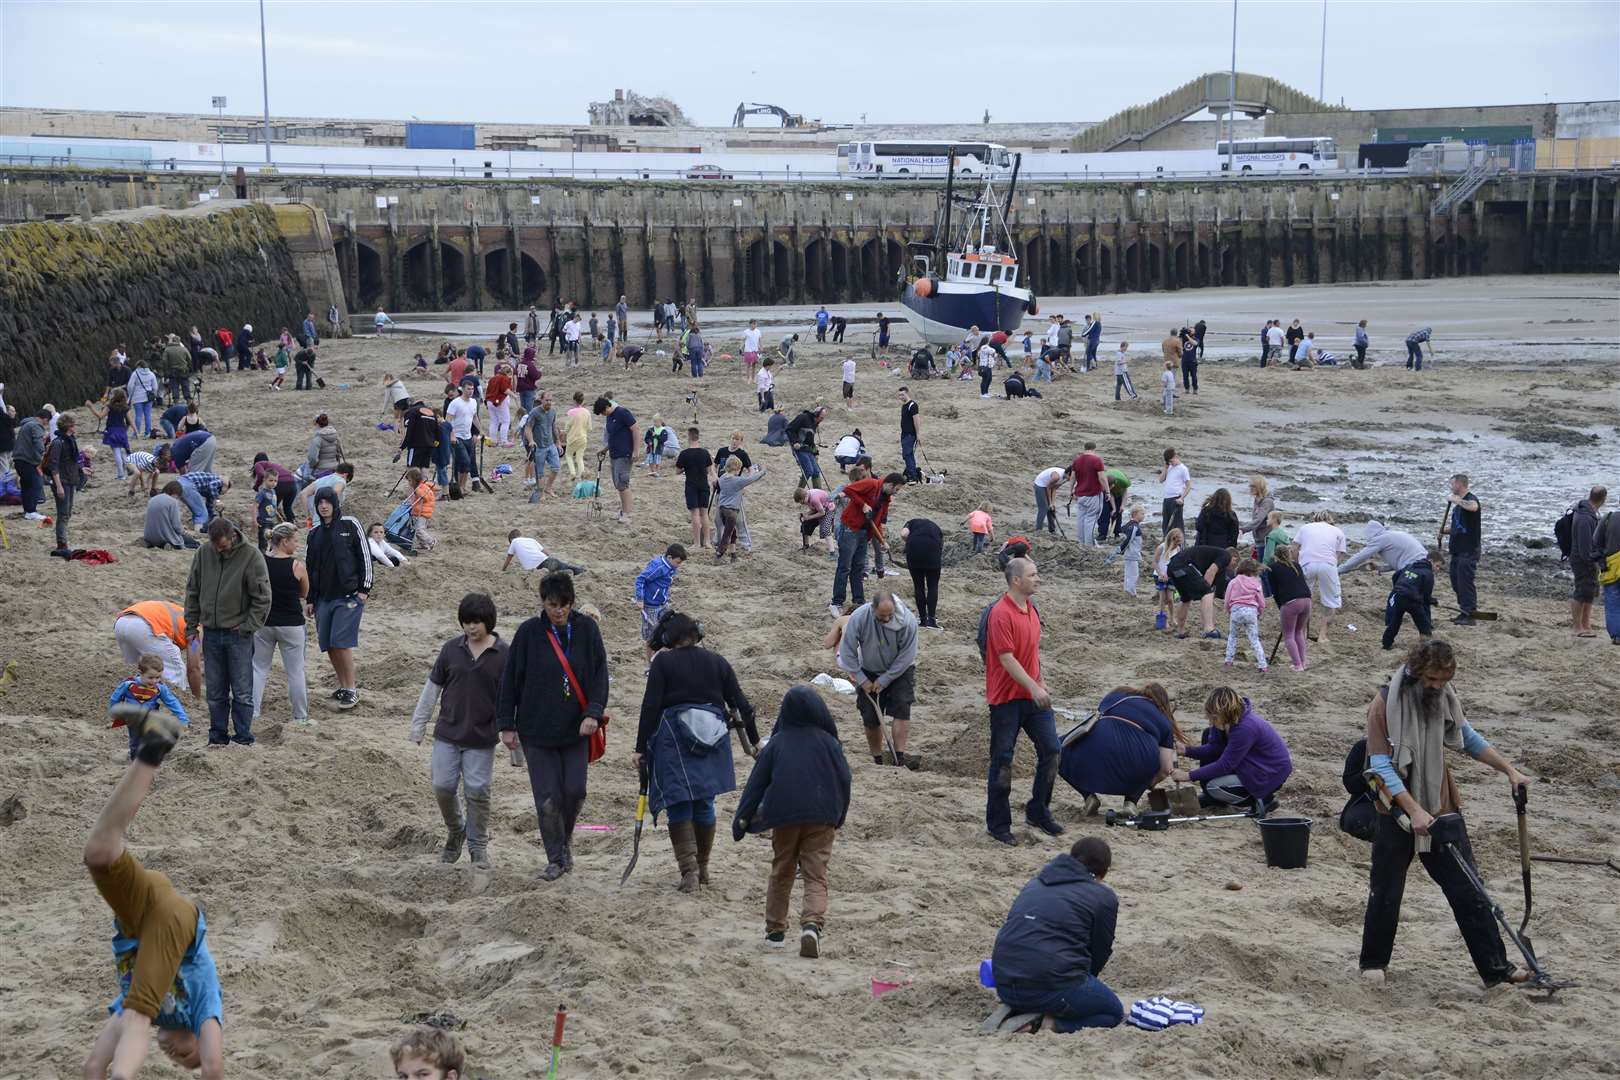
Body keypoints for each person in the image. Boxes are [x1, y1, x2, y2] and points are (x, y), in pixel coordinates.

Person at [1359, 640, 1533, 987]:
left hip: (1442, 806)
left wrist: (1509, 770)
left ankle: (1497, 970)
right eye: (1432, 680)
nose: (1438, 686)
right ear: (1416, 671)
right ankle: (1373, 963)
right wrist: (1414, 811)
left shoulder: (1444, 697)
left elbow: (1467, 738)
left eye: (1443, 680)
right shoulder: (1384, 704)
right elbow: (1379, 767)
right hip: (1396, 811)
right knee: (1386, 891)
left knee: (1469, 890)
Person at [80, 717, 226, 1080]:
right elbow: (214, 1066)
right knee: (138, 1016)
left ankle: (151, 750)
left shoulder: (130, 1003)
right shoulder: (203, 1006)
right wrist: (204, 1063)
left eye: (177, 1063)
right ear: (198, 1036)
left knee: (99, 853)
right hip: (177, 918)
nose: (176, 1055)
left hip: (140, 917)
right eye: (188, 1053)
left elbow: (94, 1063)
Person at [499, 571, 609, 881]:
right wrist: (507, 723)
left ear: (573, 603)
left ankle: (565, 842)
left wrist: (594, 712)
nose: (558, 611)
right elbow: (510, 680)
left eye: (564, 605)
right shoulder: (528, 633)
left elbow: (600, 675)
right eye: (552, 605)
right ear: (543, 603)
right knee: (547, 799)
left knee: (575, 792)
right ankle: (556, 859)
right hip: (536, 730)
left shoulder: (587, 629)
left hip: (576, 729)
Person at [636, 611, 756, 891]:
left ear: (668, 638)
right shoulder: (718, 662)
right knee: (704, 801)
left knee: (679, 802)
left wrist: (640, 748)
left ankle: (688, 871)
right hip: (713, 736)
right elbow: (742, 705)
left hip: (674, 737)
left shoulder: (662, 662)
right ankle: (703, 867)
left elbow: (650, 707)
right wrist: (755, 741)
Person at [731, 683, 853, 958]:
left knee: (782, 868)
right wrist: (840, 815)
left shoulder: (777, 744)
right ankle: (811, 925)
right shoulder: (831, 744)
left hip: (783, 814)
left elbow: (756, 785)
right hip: (822, 815)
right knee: (815, 873)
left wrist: (741, 821)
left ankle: (775, 930)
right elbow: (845, 780)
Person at [409, 592, 507, 869]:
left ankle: (478, 847)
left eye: (476, 622)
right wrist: (418, 726)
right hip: (448, 733)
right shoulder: (451, 649)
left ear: (488, 621)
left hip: (482, 737)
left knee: (478, 790)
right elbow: (432, 689)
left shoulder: (503, 654)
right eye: (466, 622)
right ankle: (456, 829)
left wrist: (515, 738)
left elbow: (511, 698)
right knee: (442, 786)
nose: (471, 628)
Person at [989, 836, 1121, 1034]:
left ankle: (1022, 1006)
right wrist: (1083, 983)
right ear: (1103, 872)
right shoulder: (1103, 896)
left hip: (1005, 984)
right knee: (1113, 1012)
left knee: (1050, 975)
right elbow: (1100, 950)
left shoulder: (1034, 883)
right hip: (1049, 985)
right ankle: (1048, 1023)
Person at [984, 557, 1063, 844]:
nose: (1038, 578)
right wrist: (1033, 687)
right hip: (1006, 699)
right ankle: (998, 824)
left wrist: (1039, 681)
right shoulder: (1000, 613)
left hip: (1033, 695)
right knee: (1003, 760)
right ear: (1016, 580)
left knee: (1052, 750)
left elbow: (1031, 653)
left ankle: (1038, 810)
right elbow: (1006, 659)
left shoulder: (1030, 608)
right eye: (1033, 574)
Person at [184, 516, 271, 747]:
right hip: (210, 633)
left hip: (238, 635)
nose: (218, 550)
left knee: (242, 691)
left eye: (222, 546)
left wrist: (247, 627)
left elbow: (262, 598)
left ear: (233, 536)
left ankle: (243, 738)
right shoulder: (204, 553)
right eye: (214, 546)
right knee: (215, 691)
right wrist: (191, 627)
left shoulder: (252, 556)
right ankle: (217, 737)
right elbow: (193, 590)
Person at [1061, 683, 1182, 817]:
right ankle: (1131, 802)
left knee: (1055, 749)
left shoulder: (1116, 696)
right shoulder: (1164, 720)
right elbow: (1165, 769)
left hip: (1094, 755)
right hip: (1137, 765)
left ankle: (1088, 797)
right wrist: (1148, 784)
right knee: (1151, 759)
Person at [305, 488, 371, 711]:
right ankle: (343, 686)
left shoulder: (350, 524)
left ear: (334, 503)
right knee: (329, 645)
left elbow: (364, 556)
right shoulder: (314, 533)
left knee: (341, 642)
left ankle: (352, 689)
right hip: (323, 598)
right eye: (320, 502)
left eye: (327, 502)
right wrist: (311, 598)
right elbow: (311, 568)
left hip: (349, 596)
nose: (324, 506)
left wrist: (364, 589)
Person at [1173, 687, 1291, 811]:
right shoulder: (1225, 720)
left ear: (1225, 713)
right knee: (1207, 734)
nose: (1211, 721)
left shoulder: (1246, 728)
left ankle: (1264, 799)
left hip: (1268, 771)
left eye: (1214, 718)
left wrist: (1188, 775)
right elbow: (1215, 748)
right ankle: (1213, 798)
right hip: (1250, 763)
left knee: (1213, 787)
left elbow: (1225, 765)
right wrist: (1186, 751)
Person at [838, 591, 920, 767]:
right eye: (882, 616)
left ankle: (899, 756)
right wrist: (862, 679)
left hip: (900, 669)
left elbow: (907, 655)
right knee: (870, 715)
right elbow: (847, 651)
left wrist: (885, 679)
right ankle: (877, 758)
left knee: (902, 707)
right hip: (868, 669)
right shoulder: (859, 617)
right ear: (872, 609)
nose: (887, 619)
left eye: (890, 615)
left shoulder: (908, 621)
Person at [251, 523, 310, 729]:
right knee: (295, 671)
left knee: (258, 669)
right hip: (291, 623)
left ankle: (253, 712)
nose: (296, 544)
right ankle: (300, 716)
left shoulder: (260, 562)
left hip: (264, 622)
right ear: (284, 541)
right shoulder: (296, 566)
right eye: (294, 540)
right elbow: (304, 593)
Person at [830, 471, 902, 618]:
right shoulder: (871, 483)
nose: (896, 492)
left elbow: (877, 522)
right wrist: (862, 504)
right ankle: (836, 602)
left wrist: (882, 540)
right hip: (850, 528)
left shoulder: (886, 499)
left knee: (858, 568)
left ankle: (859, 602)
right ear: (889, 484)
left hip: (865, 533)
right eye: (896, 489)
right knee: (844, 567)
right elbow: (848, 490)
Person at [114, 600, 204, 700]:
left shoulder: (183, 613)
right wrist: (196, 699)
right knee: (177, 672)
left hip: (122, 622)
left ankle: (129, 698)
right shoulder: (198, 629)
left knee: (143, 668)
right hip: (143, 627)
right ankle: (177, 706)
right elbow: (194, 668)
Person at [108, 653, 191, 760]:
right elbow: (115, 698)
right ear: (141, 673)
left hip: (151, 718)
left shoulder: (160, 688)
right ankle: (135, 758)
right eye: (150, 677)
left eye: (158, 677)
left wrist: (183, 720)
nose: (154, 681)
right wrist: (114, 711)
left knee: (151, 739)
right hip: (132, 720)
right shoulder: (128, 685)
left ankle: (148, 757)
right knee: (135, 741)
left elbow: (173, 702)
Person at [1296, 510, 1348, 643]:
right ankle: (1322, 635)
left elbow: (1294, 547)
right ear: (1330, 520)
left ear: (1314, 519)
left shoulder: (1305, 528)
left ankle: (1303, 633)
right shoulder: (1338, 531)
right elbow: (1340, 555)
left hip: (1307, 563)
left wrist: (1297, 563)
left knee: (1304, 598)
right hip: (1328, 565)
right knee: (1331, 602)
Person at [1440, 473, 1484, 625]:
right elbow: (1458, 527)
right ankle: (1464, 611)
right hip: (1457, 549)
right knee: (1455, 581)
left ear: (1459, 484)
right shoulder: (1458, 508)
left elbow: (1473, 507)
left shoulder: (1471, 499)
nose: (1451, 487)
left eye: (1452, 484)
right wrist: (1444, 532)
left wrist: (1457, 500)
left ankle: (1470, 615)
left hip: (1469, 549)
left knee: (1465, 582)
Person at [1168, 543, 1233, 639]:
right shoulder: (1226, 556)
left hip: (1172, 567)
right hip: (1184, 565)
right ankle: (1209, 630)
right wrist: (1206, 592)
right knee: (1207, 592)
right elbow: (1211, 571)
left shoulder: (1211, 557)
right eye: (1234, 565)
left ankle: (1180, 631)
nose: (1232, 569)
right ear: (1234, 558)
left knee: (1185, 598)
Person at [1382, 547, 1442, 651]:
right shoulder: (1428, 574)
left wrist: (1398, 587)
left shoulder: (1410, 566)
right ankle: (1426, 646)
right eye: (1437, 566)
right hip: (1413, 601)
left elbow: (1395, 576)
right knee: (1423, 625)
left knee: (1395, 622)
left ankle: (1386, 644)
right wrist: (1433, 601)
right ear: (1430, 561)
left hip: (1398, 596)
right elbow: (1426, 597)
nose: (1438, 569)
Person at [635, 544, 686, 661]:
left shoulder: (671, 567)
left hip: (663, 604)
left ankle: (663, 660)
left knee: (669, 630)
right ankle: (650, 666)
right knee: (651, 638)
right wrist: (640, 599)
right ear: (669, 558)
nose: (679, 566)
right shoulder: (658, 567)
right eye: (678, 562)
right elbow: (640, 579)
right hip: (650, 606)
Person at [1266, 542, 1312, 671]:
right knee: (1298, 632)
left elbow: (1274, 591)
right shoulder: (1297, 565)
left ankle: (1297, 665)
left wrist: (1280, 606)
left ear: (1275, 555)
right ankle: (1303, 662)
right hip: (1307, 600)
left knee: (1289, 635)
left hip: (1291, 602)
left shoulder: (1272, 568)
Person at [42, 412, 83, 556]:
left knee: (67, 513)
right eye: (74, 424)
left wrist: (82, 469)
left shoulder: (70, 440)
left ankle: (63, 542)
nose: (75, 427)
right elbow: (54, 466)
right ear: (69, 426)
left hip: (71, 480)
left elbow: (71, 461)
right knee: (63, 513)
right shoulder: (58, 442)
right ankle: (61, 544)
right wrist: (58, 486)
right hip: (62, 482)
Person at [594, 396, 639, 525]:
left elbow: (636, 430)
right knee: (618, 484)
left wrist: (636, 451)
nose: (603, 415)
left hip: (624, 454)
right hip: (613, 454)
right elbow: (614, 436)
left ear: (607, 406)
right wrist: (605, 449)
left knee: (623, 484)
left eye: (603, 412)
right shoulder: (609, 416)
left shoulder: (622, 413)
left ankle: (627, 514)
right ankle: (622, 511)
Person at [1571, 486, 1607, 637]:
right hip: (1582, 560)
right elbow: (1585, 547)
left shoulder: (1588, 512)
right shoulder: (1585, 517)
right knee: (1581, 592)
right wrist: (1592, 561)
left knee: (1590, 592)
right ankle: (1577, 627)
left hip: (1588, 559)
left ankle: (1586, 623)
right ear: (1604, 499)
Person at [1222, 559, 1268, 673]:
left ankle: (1229, 660)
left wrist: (1228, 610)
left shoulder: (1233, 581)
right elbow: (1261, 601)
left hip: (1236, 610)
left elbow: (1227, 599)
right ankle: (1262, 664)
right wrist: (1260, 612)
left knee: (1232, 636)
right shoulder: (1256, 583)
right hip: (1251, 611)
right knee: (1254, 639)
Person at [715, 458, 765, 562]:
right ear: (737, 468)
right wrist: (762, 471)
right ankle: (719, 552)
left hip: (722, 509)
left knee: (732, 532)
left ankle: (733, 555)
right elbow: (752, 479)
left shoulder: (722, 477)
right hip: (731, 512)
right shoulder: (737, 481)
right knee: (727, 534)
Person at [674, 427, 716, 549]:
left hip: (691, 486)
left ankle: (697, 543)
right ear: (698, 437)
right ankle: (707, 542)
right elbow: (710, 470)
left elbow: (677, 471)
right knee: (704, 514)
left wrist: (685, 468)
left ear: (689, 437)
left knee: (695, 515)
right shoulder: (705, 453)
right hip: (703, 485)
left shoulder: (684, 454)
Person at [1342, 520, 1428, 576]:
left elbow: (1359, 557)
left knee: (1400, 586)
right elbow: (1397, 562)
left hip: (1413, 568)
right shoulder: (1392, 535)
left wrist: (1339, 570)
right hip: (1426, 564)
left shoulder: (1381, 539)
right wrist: (1379, 568)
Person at [901, 517, 943, 630]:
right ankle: (932, 620)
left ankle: (923, 620)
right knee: (933, 586)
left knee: (918, 586)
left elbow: (904, 534)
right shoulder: (936, 527)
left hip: (914, 550)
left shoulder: (910, 522)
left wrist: (910, 542)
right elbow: (941, 544)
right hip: (933, 551)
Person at [1069, 442, 1110, 547]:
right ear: (1094, 449)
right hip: (1093, 494)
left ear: (1085, 448)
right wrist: (1108, 491)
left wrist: (1071, 490)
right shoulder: (1097, 460)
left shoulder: (1077, 461)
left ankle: (1082, 542)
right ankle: (1089, 545)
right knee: (1091, 520)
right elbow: (1101, 477)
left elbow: (1073, 477)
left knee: (1081, 519)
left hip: (1080, 495)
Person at [502, 529, 587, 577]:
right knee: (562, 565)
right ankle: (580, 570)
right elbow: (546, 553)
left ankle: (564, 573)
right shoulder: (531, 540)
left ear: (512, 539)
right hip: (547, 560)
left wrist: (503, 569)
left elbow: (509, 558)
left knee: (549, 575)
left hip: (537, 568)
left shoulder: (514, 542)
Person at [14, 406, 48, 519]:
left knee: (26, 486)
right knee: (34, 485)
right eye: (46, 422)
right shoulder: (36, 425)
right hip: (27, 460)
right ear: (45, 419)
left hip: (19, 459)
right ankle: (31, 511)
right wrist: (44, 453)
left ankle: (28, 510)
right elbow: (38, 442)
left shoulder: (26, 424)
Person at [143, 481, 198, 550]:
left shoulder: (152, 499)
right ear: (176, 492)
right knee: (195, 544)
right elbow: (176, 526)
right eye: (178, 496)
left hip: (149, 537)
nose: (177, 498)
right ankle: (170, 545)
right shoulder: (172, 502)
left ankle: (163, 545)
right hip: (164, 537)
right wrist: (185, 533)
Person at [1108, 504, 1146, 596]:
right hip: (1132, 554)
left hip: (1129, 554)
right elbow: (1128, 540)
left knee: (1128, 573)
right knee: (1133, 574)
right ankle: (1131, 592)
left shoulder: (1127, 525)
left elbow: (1122, 534)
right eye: (1142, 514)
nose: (1144, 516)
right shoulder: (1134, 527)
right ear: (1135, 514)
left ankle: (1127, 590)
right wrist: (1121, 550)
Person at [786, 405, 828, 489]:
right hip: (799, 448)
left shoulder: (814, 424)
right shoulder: (803, 417)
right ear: (816, 414)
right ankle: (799, 493)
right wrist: (795, 442)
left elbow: (810, 441)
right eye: (821, 417)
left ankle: (818, 492)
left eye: (823, 418)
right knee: (808, 471)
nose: (821, 420)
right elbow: (789, 429)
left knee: (816, 471)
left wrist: (816, 453)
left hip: (808, 449)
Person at [1152, 528, 1183, 631]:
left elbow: (1178, 563)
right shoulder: (1161, 547)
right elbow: (1155, 562)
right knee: (1162, 598)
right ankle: (1163, 619)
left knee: (1170, 599)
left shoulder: (1178, 549)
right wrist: (1160, 574)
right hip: (1159, 576)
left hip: (1170, 576)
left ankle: (1172, 618)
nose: (1176, 546)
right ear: (1171, 540)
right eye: (1176, 543)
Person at [794, 485, 837, 556]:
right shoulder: (807, 497)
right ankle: (806, 545)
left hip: (829, 510)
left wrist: (809, 517)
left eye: (802, 502)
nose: (802, 504)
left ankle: (832, 552)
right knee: (805, 524)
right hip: (820, 509)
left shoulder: (814, 498)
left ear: (805, 496)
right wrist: (805, 514)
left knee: (825, 529)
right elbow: (814, 508)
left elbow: (822, 513)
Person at [1241, 476, 1275, 558]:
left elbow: (1258, 520)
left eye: (1253, 486)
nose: (1250, 488)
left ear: (1259, 487)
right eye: (1250, 486)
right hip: (1259, 540)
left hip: (1266, 541)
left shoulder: (1267, 502)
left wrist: (1243, 529)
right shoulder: (1257, 499)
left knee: (1262, 567)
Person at [1159, 448, 1190, 536]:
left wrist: (1181, 498)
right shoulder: (1169, 467)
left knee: (1176, 525)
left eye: (1172, 461)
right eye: (1169, 462)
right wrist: (1165, 468)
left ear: (1176, 456)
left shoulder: (1183, 469)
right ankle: (1166, 543)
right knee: (1165, 524)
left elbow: (1188, 486)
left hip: (1176, 499)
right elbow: (1161, 480)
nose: (1171, 463)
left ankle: (1180, 545)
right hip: (1166, 499)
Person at [1032, 465, 1068, 537]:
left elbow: (1054, 489)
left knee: (1052, 508)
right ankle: (1038, 530)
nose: (1074, 478)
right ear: (1069, 473)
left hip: (1049, 486)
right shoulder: (1057, 476)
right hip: (1040, 485)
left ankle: (1052, 530)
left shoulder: (1066, 478)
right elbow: (1048, 487)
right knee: (1044, 508)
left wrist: (1053, 503)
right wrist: (1050, 503)